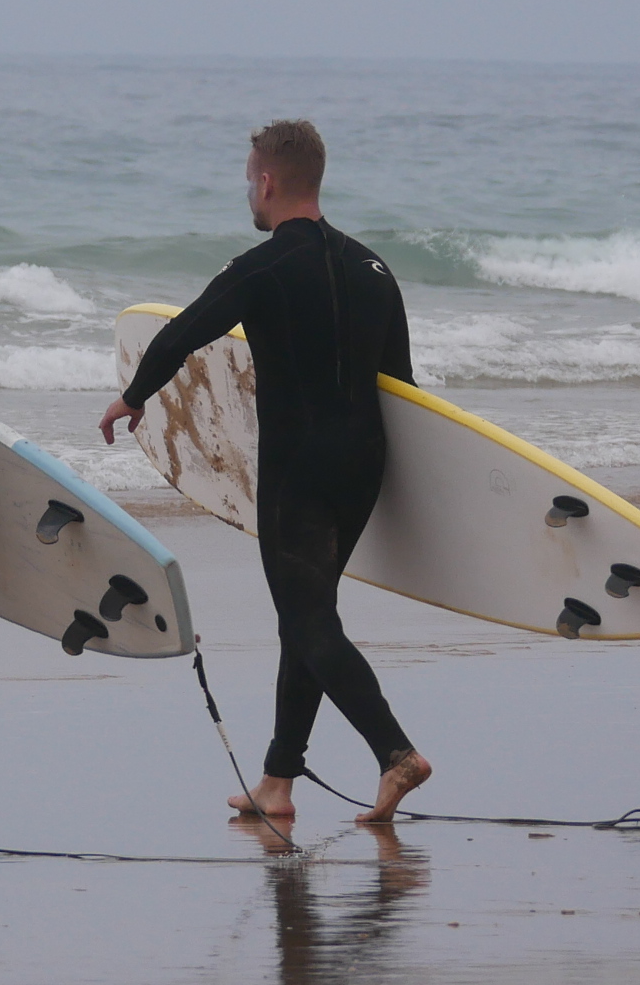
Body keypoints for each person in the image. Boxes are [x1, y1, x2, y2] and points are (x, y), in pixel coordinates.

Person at [99, 120, 433, 827]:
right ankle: (278, 781)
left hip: (299, 468)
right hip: (363, 468)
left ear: (267, 181)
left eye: (248, 177)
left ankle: (396, 751)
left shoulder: (263, 266)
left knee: (307, 619)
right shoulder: (376, 270)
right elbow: (403, 389)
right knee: (308, 619)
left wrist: (132, 398)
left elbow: (182, 333)